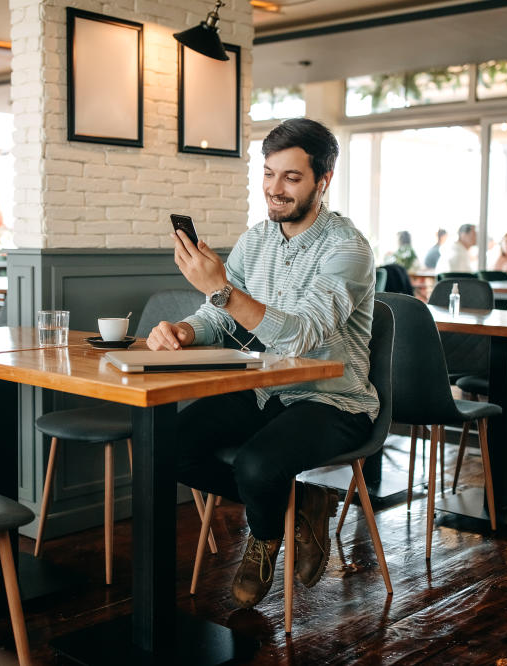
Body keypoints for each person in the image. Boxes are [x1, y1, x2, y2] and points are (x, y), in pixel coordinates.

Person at [146, 118, 378, 609]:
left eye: (291, 178)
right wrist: (186, 330)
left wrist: (221, 290)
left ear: (324, 179)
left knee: (256, 465)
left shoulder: (348, 250)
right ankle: (297, 506)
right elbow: (218, 314)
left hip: (335, 400)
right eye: (269, 174)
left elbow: (299, 334)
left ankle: (264, 533)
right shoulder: (256, 241)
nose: (275, 189)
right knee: (167, 447)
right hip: (265, 389)